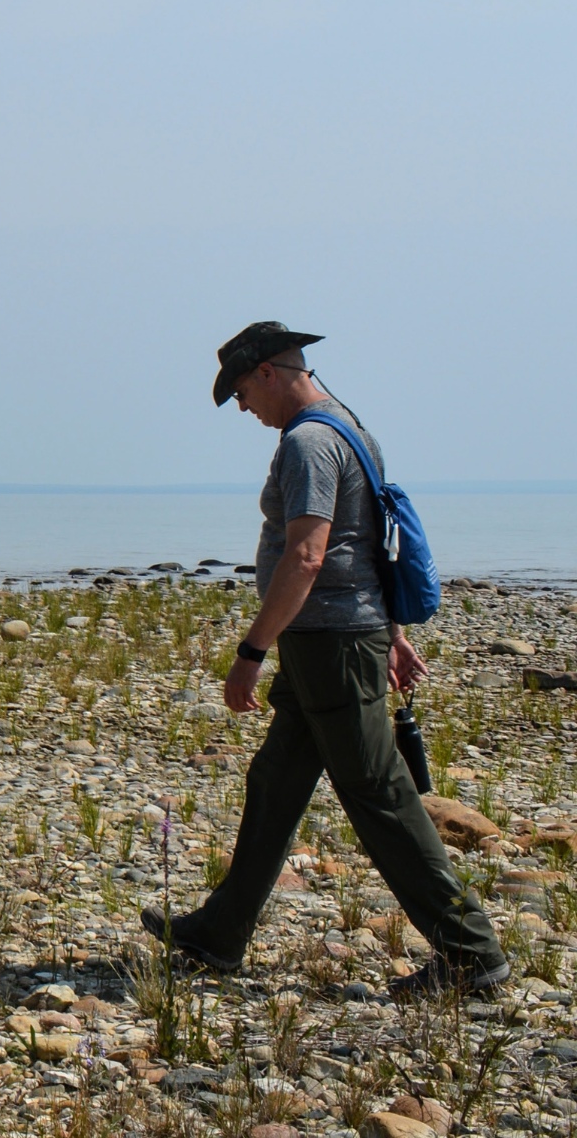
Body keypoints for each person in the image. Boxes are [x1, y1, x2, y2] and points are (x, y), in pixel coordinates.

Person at [143, 321, 509, 1000]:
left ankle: (471, 956)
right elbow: (371, 543)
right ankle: (218, 935)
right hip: (339, 640)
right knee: (277, 780)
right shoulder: (350, 428)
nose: (244, 411)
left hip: (332, 645)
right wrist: (393, 633)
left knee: (379, 795)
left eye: (242, 395)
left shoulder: (309, 442)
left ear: (268, 374)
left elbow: (308, 556)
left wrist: (251, 651)